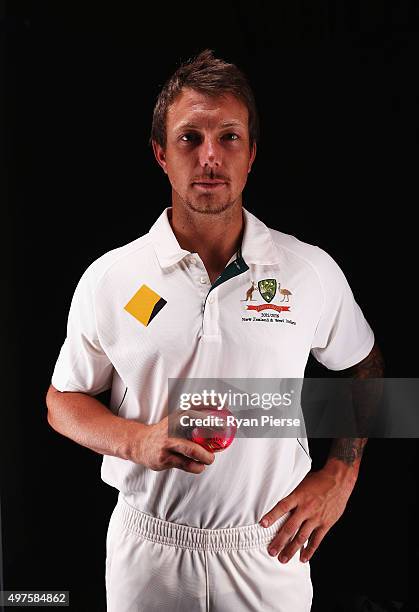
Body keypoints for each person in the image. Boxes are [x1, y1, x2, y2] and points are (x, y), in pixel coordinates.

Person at [46, 49, 384, 611]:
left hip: (268, 548)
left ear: (251, 154)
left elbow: (365, 366)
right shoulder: (110, 278)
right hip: (149, 550)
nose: (210, 157)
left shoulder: (310, 271)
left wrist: (340, 474)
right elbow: (61, 403)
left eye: (229, 137)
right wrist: (139, 440)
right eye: (189, 138)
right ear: (160, 154)